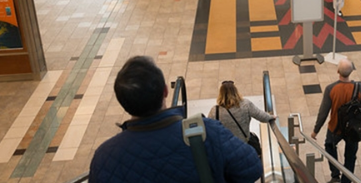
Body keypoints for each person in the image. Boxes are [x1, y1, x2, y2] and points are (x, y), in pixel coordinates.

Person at [89, 56, 262, 183]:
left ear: (122, 102)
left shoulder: (104, 157)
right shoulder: (206, 132)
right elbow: (252, 168)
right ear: (165, 91)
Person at [312, 59, 361, 183]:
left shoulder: (331, 89)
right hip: (353, 129)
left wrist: (315, 131)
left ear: (337, 71)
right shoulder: (359, 88)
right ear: (351, 72)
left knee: (329, 146)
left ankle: (335, 175)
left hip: (335, 127)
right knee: (350, 156)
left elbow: (323, 112)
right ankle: (346, 180)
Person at [208, 81, 274, 151]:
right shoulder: (245, 104)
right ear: (235, 91)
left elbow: (208, 127)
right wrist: (271, 117)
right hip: (244, 145)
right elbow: (260, 115)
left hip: (226, 148)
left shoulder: (215, 110)